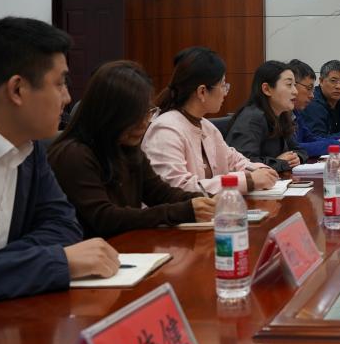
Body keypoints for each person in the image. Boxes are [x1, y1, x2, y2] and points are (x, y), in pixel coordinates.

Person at [0, 17, 119, 303]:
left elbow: (64, 226)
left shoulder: (30, 148)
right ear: (17, 90)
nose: (67, 98)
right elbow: (60, 252)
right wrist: (50, 262)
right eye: (60, 83)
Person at [48, 61, 215, 238]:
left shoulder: (126, 146)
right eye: (135, 116)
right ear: (110, 114)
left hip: (126, 248)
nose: (144, 123)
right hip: (94, 249)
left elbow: (160, 193)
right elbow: (105, 218)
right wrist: (184, 211)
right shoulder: (73, 154)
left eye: (147, 112)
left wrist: (207, 201)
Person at [142, 47, 278, 195]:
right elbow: (178, 188)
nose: (225, 92)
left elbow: (235, 161)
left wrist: (260, 170)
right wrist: (248, 180)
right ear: (202, 91)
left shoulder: (206, 126)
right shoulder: (165, 130)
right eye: (223, 85)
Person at [225, 61, 309, 172]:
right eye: (289, 85)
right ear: (267, 89)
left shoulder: (281, 114)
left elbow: (299, 150)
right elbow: (243, 163)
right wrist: (280, 162)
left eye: (294, 85)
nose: (295, 91)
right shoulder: (253, 118)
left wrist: (297, 157)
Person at [289, 59, 340, 156]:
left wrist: (338, 141)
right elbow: (292, 148)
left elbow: (310, 138)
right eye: (309, 88)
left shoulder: (295, 112)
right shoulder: (273, 115)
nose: (312, 96)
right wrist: (338, 144)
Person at [303, 60, 340, 140]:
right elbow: (317, 137)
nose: (338, 86)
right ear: (321, 81)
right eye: (333, 81)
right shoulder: (312, 102)